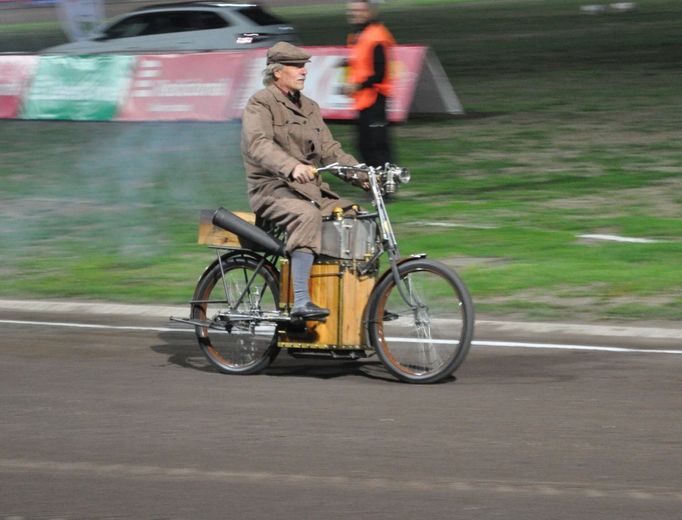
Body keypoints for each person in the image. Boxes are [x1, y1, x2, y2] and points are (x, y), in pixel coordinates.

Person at [241, 42, 367, 321]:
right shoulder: (260, 103)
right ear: (277, 72)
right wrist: (291, 166)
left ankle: (362, 302)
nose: (304, 71)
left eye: (304, 66)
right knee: (308, 216)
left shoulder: (310, 107)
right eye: (297, 66)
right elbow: (258, 145)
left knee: (355, 219)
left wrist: (364, 175)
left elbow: (330, 150)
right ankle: (300, 301)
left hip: (308, 189)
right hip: (271, 188)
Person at [343, 0, 396, 169]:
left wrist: (357, 86)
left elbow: (380, 73)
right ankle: (374, 188)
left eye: (360, 11)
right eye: (352, 11)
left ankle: (386, 190)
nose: (355, 14)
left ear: (371, 12)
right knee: (364, 145)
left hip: (375, 99)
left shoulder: (377, 36)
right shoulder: (357, 36)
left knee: (377, 146)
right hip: (362, 100)